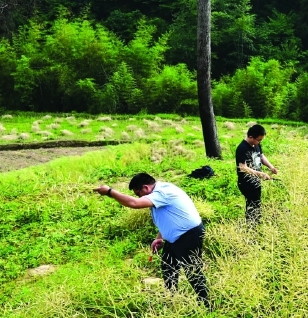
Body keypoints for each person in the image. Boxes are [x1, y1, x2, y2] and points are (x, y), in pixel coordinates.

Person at [94, 173, 209, 307]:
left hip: (188, 235)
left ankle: (206, 304)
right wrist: (159, 238)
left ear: (145, 188)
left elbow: (134, 203)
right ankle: (172, 299)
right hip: (177, 237)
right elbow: (168, 217)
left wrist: (109, 191)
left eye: (138, 193)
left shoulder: (163, 192)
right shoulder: (160, 190)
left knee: (192, 270)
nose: (139, 197)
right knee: (168, 267)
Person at [235, 124, 278, 225]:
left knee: (256, 204)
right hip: (246, 183)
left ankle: (256, 222)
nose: (259, 142)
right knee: (252, 205)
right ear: (250, 137)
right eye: (258, 140)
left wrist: (271, 167)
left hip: (256, 181)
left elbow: (261, 156)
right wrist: (260, 174)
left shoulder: (256, 144)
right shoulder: (242, 148)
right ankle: (251, 226)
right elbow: (242, 167)